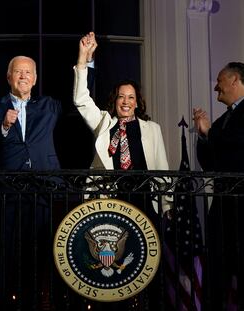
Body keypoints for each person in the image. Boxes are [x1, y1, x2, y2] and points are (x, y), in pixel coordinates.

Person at [0, 46, 96, 309]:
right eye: (18, 71)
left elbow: (82, 96)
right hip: (7, 195)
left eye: (28, 72)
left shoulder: (49, 106)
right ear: (8, 77)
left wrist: (85, 61)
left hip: (44, 193)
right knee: (6, 259)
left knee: (41, 259)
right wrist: (3, 127)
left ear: (35, 78)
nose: (23, 76)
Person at [73, 32, 172, 309]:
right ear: (114, 101)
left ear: (138, 102)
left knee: (148, 268)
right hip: (109, 205)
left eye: (131, 97)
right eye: (121, 97)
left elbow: (163, 169)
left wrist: (167, 205)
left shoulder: (152, 130)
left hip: (144, 203)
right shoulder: (104, 123)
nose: (126, 101)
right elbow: (81, 100)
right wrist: (83, 61)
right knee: (112, 273)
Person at [193, 62, 244, 310]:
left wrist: (211, 134)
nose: (216, 86)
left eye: (220, 80)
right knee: (217, 271)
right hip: (224, 207)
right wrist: (202, 134)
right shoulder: (221, 122)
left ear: (235, 80)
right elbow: (209, 163)